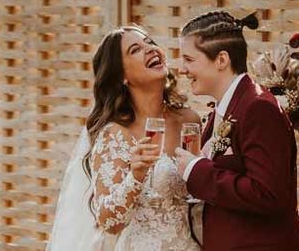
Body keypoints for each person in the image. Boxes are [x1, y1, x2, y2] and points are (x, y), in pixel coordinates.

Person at [48, 25, 201, 251]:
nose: (150, 49)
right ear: (122, 76)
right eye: (135, 50)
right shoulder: (114, 135)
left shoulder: (189, 120)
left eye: (150, 42)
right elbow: (108, 221)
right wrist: (135, 176)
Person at [174, 11, 299, 251]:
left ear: (221, 60)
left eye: (189, 59)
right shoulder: (227, 107)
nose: (182, 69)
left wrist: (197, 170)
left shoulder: (258, 108)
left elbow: (267, 193)